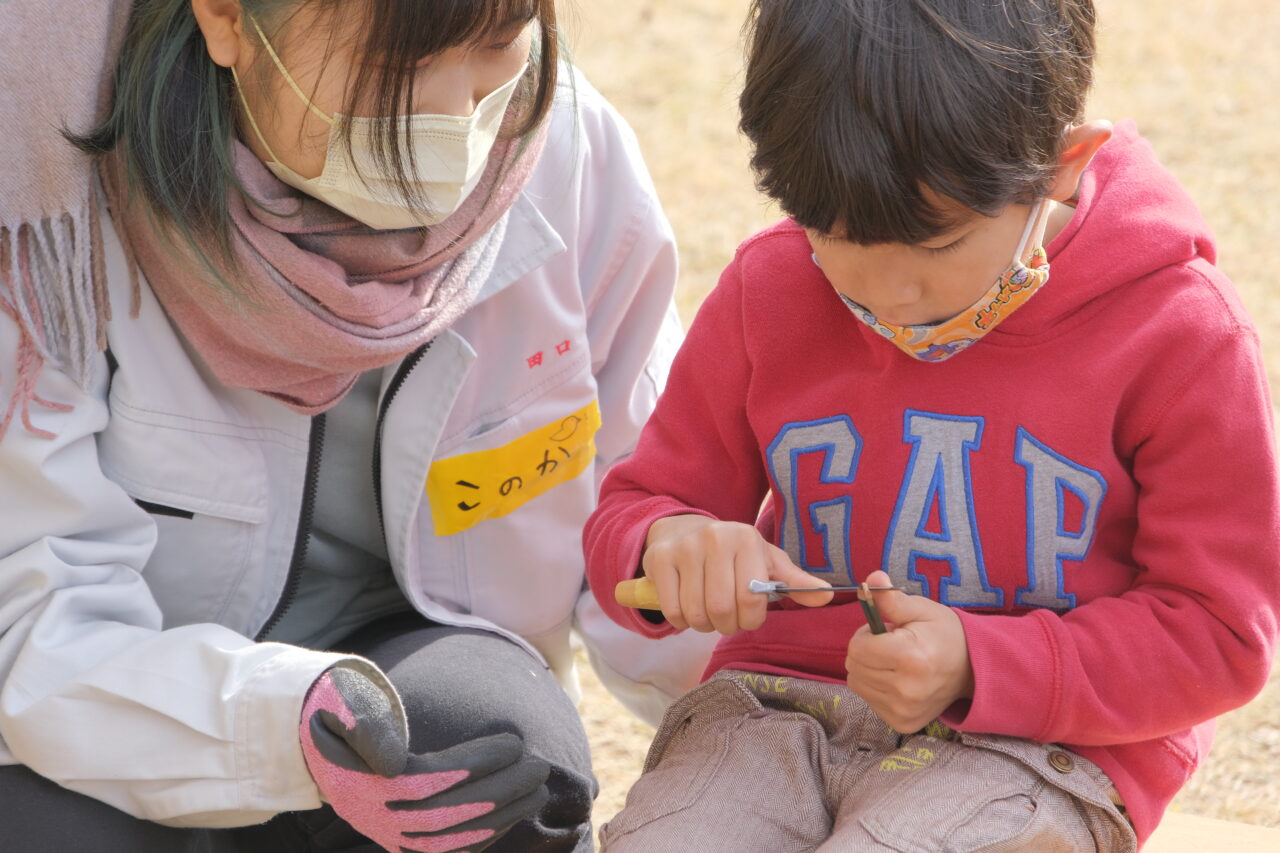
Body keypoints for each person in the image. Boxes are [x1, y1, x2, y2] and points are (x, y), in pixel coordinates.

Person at [0, 0, 716, 850]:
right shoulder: (42, 199)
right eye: (399, 72)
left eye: (495, 44)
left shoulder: (565, 151)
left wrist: (769, 716)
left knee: (497, 757)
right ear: (227, 19)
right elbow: (32, 619)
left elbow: (648, 504)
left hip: (416, 663)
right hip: (131, 702)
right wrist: (285, 724)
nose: (459, 120)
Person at [584, 0, 1280, 850]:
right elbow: (636, 508)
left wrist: (980, 662)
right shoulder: (769, 289)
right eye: (834, 236)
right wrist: (672, 542)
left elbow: (1218, 631)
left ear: (1064, 165)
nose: (889, 293)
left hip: (1036, 748)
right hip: (773, 712)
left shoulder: (1177, 332)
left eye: (939, 244)